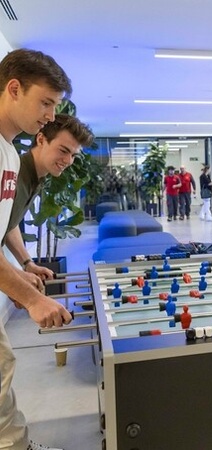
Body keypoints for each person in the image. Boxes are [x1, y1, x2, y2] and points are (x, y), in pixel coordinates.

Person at [0, 48, 73, 450]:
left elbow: (4, 225)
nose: (49, 113)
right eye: (45, 102)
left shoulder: (8, 150)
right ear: (14, 89)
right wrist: (30, 299)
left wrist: (23, 263)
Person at [3, 114, 94, 280]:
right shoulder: (14, 174)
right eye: (63, 150)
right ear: (41, 139)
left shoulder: (35, 177)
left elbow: (9, 223)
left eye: (73, 155)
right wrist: (17, 279)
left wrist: (27, 263)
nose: (68, 161)